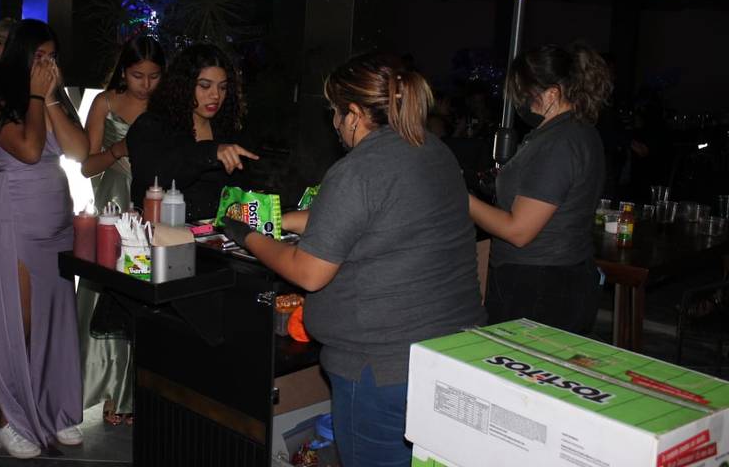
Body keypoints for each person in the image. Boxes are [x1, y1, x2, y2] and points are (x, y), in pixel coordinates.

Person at [222, 53, 485, 467]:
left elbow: (308, 273)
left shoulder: (358, 169)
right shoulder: (432, 151)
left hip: (381, 368)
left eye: (335, 112)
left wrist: (248, 236)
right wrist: (279, 219)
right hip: (448, 354)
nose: (333, 123)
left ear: (356, 114)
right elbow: (364, 216)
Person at [0, 20, 89, 458]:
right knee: (16, 322)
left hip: (55, 220)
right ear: (20, 56)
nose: (47, 64)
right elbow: (28, 150)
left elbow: (78, 152)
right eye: (39, 57)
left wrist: (52, 97)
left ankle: (56, 410)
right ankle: (7, 418)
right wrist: (37, 96)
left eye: (52, 57)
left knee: (56, 317)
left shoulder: (51, 98)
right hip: (13, 218)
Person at [468, 44, 612, 334]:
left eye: (526, 94)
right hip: (558, 275)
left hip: (540, 286)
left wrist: (459, 198)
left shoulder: (560, 142)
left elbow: (518, 231)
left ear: (552, 93)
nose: (523, 102)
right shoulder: (575, 131)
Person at [77, 36, 165, 426]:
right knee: (107, 298)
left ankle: (134, 392)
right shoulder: (105, 103)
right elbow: (86, 165)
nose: (146, 85)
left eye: (154, 76)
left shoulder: (167, 107)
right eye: (137, 75)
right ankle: (106, 389)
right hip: (113, 209)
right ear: (123, 71)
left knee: (145, 297)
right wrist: (118, 151)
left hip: (155, 206)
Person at [127, 44, 258, 220]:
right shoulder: (152, 126)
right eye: (205, 86)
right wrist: (211, 152)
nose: (216, 95)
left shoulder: (228, 131)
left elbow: (242, 194)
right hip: (163, 238)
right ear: (183, 85)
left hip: (218, 240)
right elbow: (157, 174)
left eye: (223, 87)